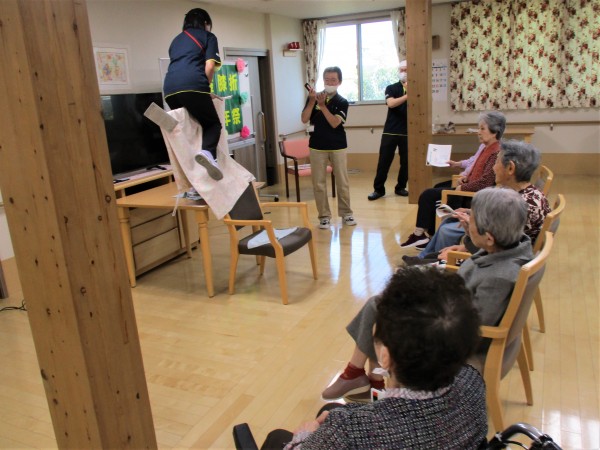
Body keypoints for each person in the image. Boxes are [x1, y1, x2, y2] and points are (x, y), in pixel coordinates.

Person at [322, 187, 532, 402]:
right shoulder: (507, 248)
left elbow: (475, 327)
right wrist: (470, 236)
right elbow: (482, 258)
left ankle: (362, 378)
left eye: (473, 220)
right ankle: (363, 377)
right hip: (453, 313)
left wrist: (431, 306)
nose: (469, 221)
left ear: (489, 237)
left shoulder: (499, 277)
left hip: (455, 339)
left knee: (383, 311)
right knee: (379, 304)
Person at [260, 267, 487, 449]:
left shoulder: (349, 432)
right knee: (331, 411)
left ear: (385, 357)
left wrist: (303, 436)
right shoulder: (473, 384)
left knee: (276, 437)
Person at [404, 139, 551, 265]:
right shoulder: (527, 194)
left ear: (510, 168)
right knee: (450, 223)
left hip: (496, 264)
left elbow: (495, 247)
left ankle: (432, 263)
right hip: (502, 257)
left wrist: (467, 241)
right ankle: (429, 259)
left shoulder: (519, 206)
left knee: (445, 239)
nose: (493, 168)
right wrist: (469, 218)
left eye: (497, 162)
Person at [400, 111, 506, 248]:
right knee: (434, 190)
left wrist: (463, 187)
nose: (478, 132)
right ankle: (428, 235)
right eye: (478, 128)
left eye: (482, 129)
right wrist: (466, 177)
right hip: (468, 188)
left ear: (494, 132)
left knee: (428, 195)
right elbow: (474, 165)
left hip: (470, 197)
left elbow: (485, 182)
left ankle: (420, 234)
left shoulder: (495, 152)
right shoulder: (486, 147)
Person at [163, 8, 223, 181]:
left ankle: (192, 175)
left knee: (191, 127)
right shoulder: (208, 37)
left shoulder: (175, 40)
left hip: (169, 89)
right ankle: (208, 155)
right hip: (193, 85)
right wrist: (205, 89)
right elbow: (209, 66)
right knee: (212, 125)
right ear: (205, 23)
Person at [301, 67, 356, 229]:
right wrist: (313, 102)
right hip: (317, 146)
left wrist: (323, 106)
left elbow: (334, 123)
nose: (330, 82)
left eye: (333, 80)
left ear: (339, 82)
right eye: (327, 79)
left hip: (337, 146)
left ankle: (346, 214)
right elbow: (304, 118)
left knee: (342, 182)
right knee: (318, 183)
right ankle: (324, 216)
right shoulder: (314, 98)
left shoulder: (342, 101)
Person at [368, 60, 409, 200]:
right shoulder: (391, 88)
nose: (404, 72)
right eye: (402, 70)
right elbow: (391, 103)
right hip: (390, 131)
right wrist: (408, 95)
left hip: (407, 132)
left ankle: (401, 187)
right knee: (384, 161)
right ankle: (378, 190)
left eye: (406, 70)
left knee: (406, 162)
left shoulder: (417, 89)